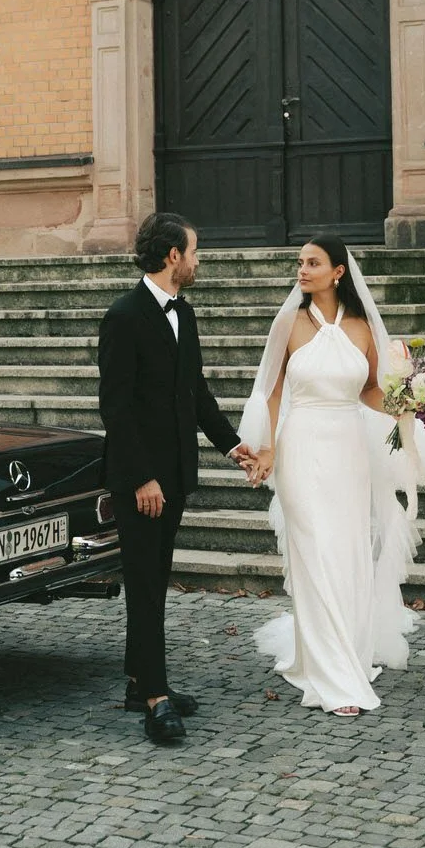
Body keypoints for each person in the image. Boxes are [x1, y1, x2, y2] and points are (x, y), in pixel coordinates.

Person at [238, 236, 425, 717]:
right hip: (301, 446)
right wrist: (265, 448)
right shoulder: (289, 323)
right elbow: (268, 391)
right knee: (314, 553)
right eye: (299, 263)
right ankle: (335, 679)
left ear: (338, 272)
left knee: (346, 553)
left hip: (349, 451)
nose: (302, 270)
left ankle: (338, 650)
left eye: (313, 263)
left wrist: (409, 403)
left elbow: (370, 390)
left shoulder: (363, 326)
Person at [98, 211, 254, 746]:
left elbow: (197, 395)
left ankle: (141, 681)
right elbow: (115, 410)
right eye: (193, 251)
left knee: (154, 581)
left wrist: (233, 447)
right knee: (143, 586)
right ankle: (155, 699)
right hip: (140, 482)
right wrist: (141, 478)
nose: (197, 260)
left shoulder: (183, 314)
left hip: (175, 475)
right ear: (172, 256)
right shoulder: (123, 316)